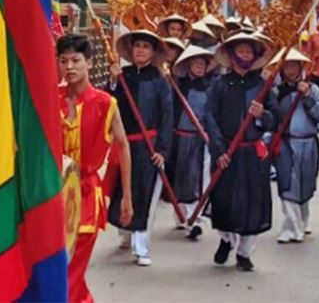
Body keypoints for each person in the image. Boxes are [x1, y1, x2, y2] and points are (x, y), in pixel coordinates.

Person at [59, 33, 131, 302]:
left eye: (76, 60)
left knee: (71, 274)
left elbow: (123, 148)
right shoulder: (48, 99)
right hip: (51, 197)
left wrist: (127, 197)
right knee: (57, 273)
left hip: (86, 197)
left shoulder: (105, 104)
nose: (69, 67)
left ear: (89, 63)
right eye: (63, 60)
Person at [204, 31, 278, 272]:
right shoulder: (220, 85)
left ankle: (245, 252)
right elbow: (210, 117)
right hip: (226, 152)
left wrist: (262, 115)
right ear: (232, 55)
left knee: (252, 205)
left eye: (249, 51)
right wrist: (218, 149)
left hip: (252, 155)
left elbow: (276, 120)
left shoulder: (262, 86)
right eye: (240, 51)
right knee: (223, 201)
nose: (244, 55)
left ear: (255, 55)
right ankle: (226, 240)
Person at [108, 27, 176, 266]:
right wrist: (114, 83)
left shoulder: (159, 80)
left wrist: (162, 150)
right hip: (125, 145)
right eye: (137, 45)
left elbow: (168, 117)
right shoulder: (122, 76)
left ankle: (142, 247)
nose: (140, 50)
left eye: (146, 47)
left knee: (145, 195)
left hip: (149, 146)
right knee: (122, 190)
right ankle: (125, 232)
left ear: (152, 52)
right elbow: (109, 106)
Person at [269, 48, 319, 243]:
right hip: (287, 143)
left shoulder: (313, 89)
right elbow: (271, 119)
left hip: (309, 143)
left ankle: (302, 221)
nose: (290, 70)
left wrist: (307, 97)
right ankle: (291, 228)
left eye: (294, 65)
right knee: (288, 185)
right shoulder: (276, 92)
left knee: (306, 185)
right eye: (286, 65)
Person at [168, 45, 215, 240]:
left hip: (202, 139)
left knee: (199, 180)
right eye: (195, 63)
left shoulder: (212, 87)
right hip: (181, 137)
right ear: (188, 66)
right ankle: (182, 216)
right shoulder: (178, 87)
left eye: (202, 64)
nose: (198, 67)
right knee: (182, 179)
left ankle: (194, 219)